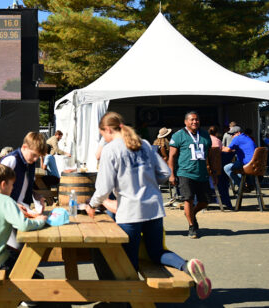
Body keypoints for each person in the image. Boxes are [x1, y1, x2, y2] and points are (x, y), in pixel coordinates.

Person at [86, 111, 212, 300]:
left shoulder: (111, 150)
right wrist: (146, 180)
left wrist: (92, 205)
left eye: (102, 134)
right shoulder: (144, 144)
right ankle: (186, 266)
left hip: (130, 212)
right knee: (156, 252)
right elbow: (163, 173)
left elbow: (104, 186)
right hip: (154, 208)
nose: (103, 138)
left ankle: (129, 301)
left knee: (128, 260)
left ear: (107, 130)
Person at [168, 111, 212, 239]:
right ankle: (192, 226)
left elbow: (209, 154)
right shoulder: (178, 136)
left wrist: (213, 171)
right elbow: (172, 156)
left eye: (197, 119)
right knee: (189, 199)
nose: (194, 122)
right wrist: (171, 174)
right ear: (186, 122)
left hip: (202, 173)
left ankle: (191, 213)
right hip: (185, 173)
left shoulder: (204, 135)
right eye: (192, 120)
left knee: (205, 201)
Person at [1, 132, 47, 209]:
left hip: (20, 210)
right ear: (24, 147)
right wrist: (13, 205)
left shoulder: (30, 163)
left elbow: (23, 188)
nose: (36, 159)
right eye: (34, 155)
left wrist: (36, 196)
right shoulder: (11, 160)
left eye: (38, 156)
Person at [222, 125, 257, 190]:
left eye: (233, 134)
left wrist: (219, 148)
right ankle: (249, 184)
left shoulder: (237, 138)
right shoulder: (247, 137)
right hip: (254, 164)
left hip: (246, 164)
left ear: (238, 133)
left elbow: (227, 150)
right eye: (230, 135)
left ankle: (241, 186)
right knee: (237, 166)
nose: (232, 136)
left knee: (227, 168)